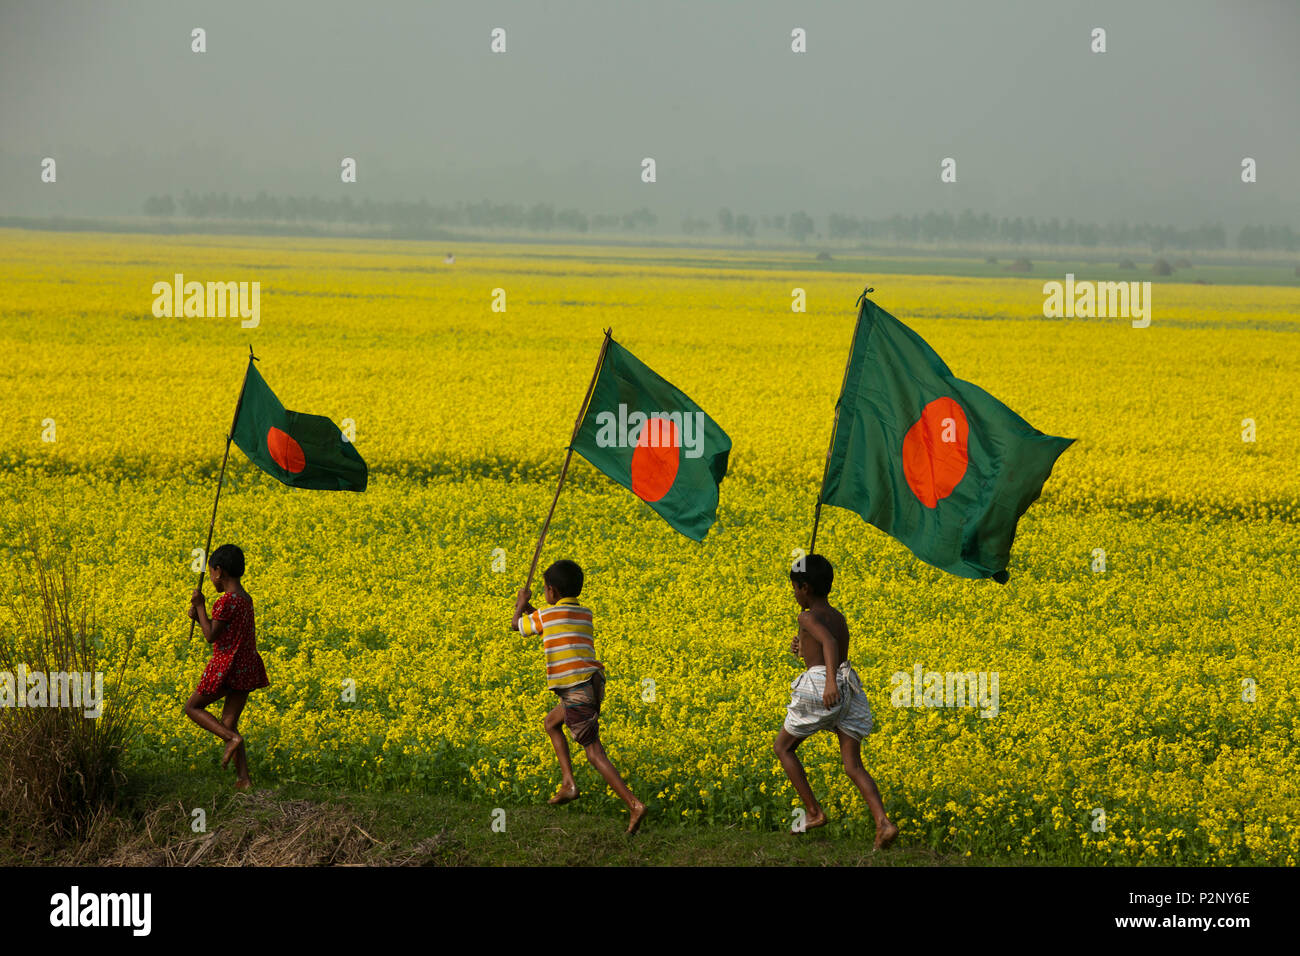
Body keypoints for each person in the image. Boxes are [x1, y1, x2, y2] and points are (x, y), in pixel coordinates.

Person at [513, 559, 646, 834]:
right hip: (592, 685)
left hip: (575, 689)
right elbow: (552, 624)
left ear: (551, 591)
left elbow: (517, 626)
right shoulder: (584, 613)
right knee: (551, 723)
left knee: (594, 753)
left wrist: (521, 604)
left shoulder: (548, 616)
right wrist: (532, 608)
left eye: (545, 590)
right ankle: (568, 784)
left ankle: (634, 804)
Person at [774, 553, 898, 849]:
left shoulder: (806, 615)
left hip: (824, 686)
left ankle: (814, 812)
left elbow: (828, 644)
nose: (793, 593)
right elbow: (828, 643)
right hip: (849, 689)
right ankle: (883, 823)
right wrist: (802, 645)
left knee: (783, 748)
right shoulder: (837, 616)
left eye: (794, 588)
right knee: (853, 764)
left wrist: (828, 681)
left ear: (805, 588)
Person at [185, 543, 270, 790]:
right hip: (246, 666)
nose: (211, 578)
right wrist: (200, 616)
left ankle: (230, 739)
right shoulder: (245, 599)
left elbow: (211, 636)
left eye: (211, 573)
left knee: (192, 707)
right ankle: (243, 779)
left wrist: (200, 605)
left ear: (219, 571)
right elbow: (221, 628)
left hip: (228, 667)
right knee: (229, 720)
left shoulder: (225, 601)